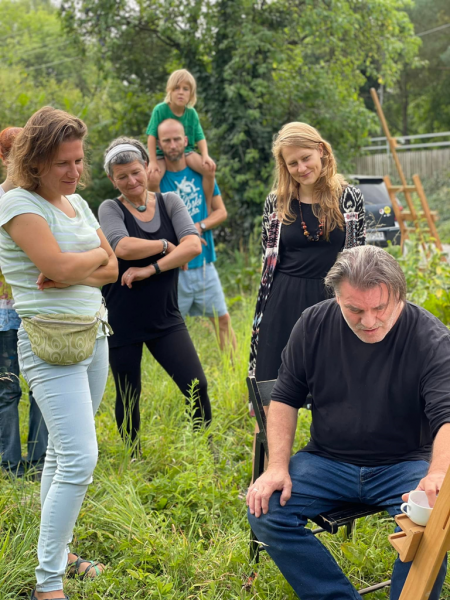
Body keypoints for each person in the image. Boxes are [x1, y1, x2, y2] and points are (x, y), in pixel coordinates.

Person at [247, 245, 450, 600]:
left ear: (399, 296)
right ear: (337, 297)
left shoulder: (429, 337)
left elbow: (447, 416)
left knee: (436, 520)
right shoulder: (313, 324)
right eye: (354, 309)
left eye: (379, 308)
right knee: (265, 510)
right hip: (327, 460)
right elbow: (284, 397)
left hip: (403, 463)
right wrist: (277, 466)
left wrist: (438, 475)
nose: (368, 321)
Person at [0, 106, 119, 600]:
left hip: (93, 334)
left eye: (78, 160)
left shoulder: (79, 204)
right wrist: (77, 264)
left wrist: (78, 266)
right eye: (63, 164)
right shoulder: (16, 204)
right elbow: (56, 265)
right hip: (48, 343)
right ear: (34, 162)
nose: (75, 172)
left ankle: (60, 555)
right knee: (79, 459)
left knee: (60, 455)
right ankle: (47, 586)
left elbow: (111, 267)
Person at [98, 136, 212, 453]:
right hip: (122, 319)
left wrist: (150, 269)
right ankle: (133, 458)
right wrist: (165, 245)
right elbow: (122, 246)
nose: (131, 181)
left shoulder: (170, 201)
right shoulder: (110, 208)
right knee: (128, 393)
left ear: (147, 167)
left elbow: (192, 246)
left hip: (165, 315)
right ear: (112, 179)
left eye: (136, 172)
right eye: (122, 176)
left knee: (195, 385)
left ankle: (203, 448)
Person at [248, 122, 365, 384]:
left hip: (332, 302)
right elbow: (267, 262)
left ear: (321, 151)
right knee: (273, 390)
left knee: (334, 387)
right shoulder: (276, 202)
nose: (301, 168)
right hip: (282, 301)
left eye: (306, 158)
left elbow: (359, 257)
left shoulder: (350, 198)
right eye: (292, 163)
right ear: (284, 166)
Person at [158, 119, 237, 351]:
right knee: (170, 328)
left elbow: (221, 212)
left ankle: (233, 374)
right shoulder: (157, 181)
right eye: (166, 140)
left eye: (176, 139)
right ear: (160, 145)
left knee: (222, 319)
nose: (172, 145)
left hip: (204, 265)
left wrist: (197, 227)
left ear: (185, 141)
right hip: (174, 270)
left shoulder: (200, 173)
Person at [0, 126, 48, 477]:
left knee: (42, 388)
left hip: (39, 307)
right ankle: (10, 462)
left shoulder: (43, 200)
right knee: (7, 387)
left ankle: (40, 458)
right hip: (4, 312)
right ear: (4, 158)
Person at [146, 69, 216, 205]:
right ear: (170, 91)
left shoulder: (192, 113)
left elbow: (200, 136)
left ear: (191, 94)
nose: (181, 92)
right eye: (176, 88)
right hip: (161, 154)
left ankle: (207, 204)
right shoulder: (160, 110)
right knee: (152, 178)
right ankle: (159, 213)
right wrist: (153, 161)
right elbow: (151, 136)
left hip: (186, 152)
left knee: (209, 169)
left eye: (185, 89)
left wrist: (205, 155)